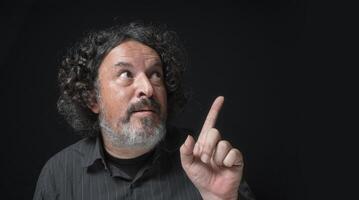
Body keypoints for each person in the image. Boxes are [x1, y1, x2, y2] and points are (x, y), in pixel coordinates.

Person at [33, 21, 255, 200]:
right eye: (126, 75)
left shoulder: (208, 163)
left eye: (155, 75)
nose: (148, 89)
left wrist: (222, 199)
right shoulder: (59, 174)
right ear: (93, 99)